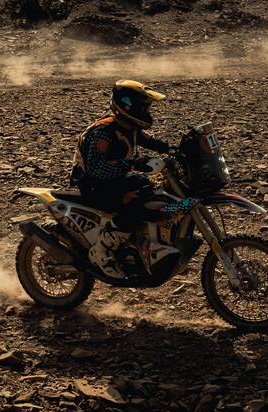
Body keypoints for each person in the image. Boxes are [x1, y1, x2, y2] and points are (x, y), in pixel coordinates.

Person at [71, 80, 199, 278]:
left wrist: (172, 150)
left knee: (151, 190)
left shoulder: (127, 126)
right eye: (143, 107)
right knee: (134, 203)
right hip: (93, 185)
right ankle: (102, 251)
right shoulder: (103, 133)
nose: (146, 111)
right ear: (127, 106)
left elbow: (148, 140)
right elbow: (97, 169)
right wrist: (133, 164)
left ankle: (142, 242)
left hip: (114, 179)